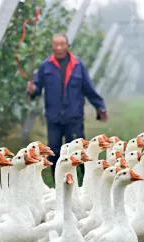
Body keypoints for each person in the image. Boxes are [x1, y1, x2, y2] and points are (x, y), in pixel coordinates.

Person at [26, 34, 108, 176]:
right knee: (54, 149)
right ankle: (57, 179)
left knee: (77, 149)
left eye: (62, 44)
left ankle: (81, 179)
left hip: (74, 116)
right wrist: (32, 90)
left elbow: (88, 88)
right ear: (52, 47)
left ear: (68, 46)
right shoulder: (46, 66)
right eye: (56, 44)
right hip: (54, 117)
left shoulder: (78, 65)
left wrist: (100, 106)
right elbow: (36, 88)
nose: (59, 47)